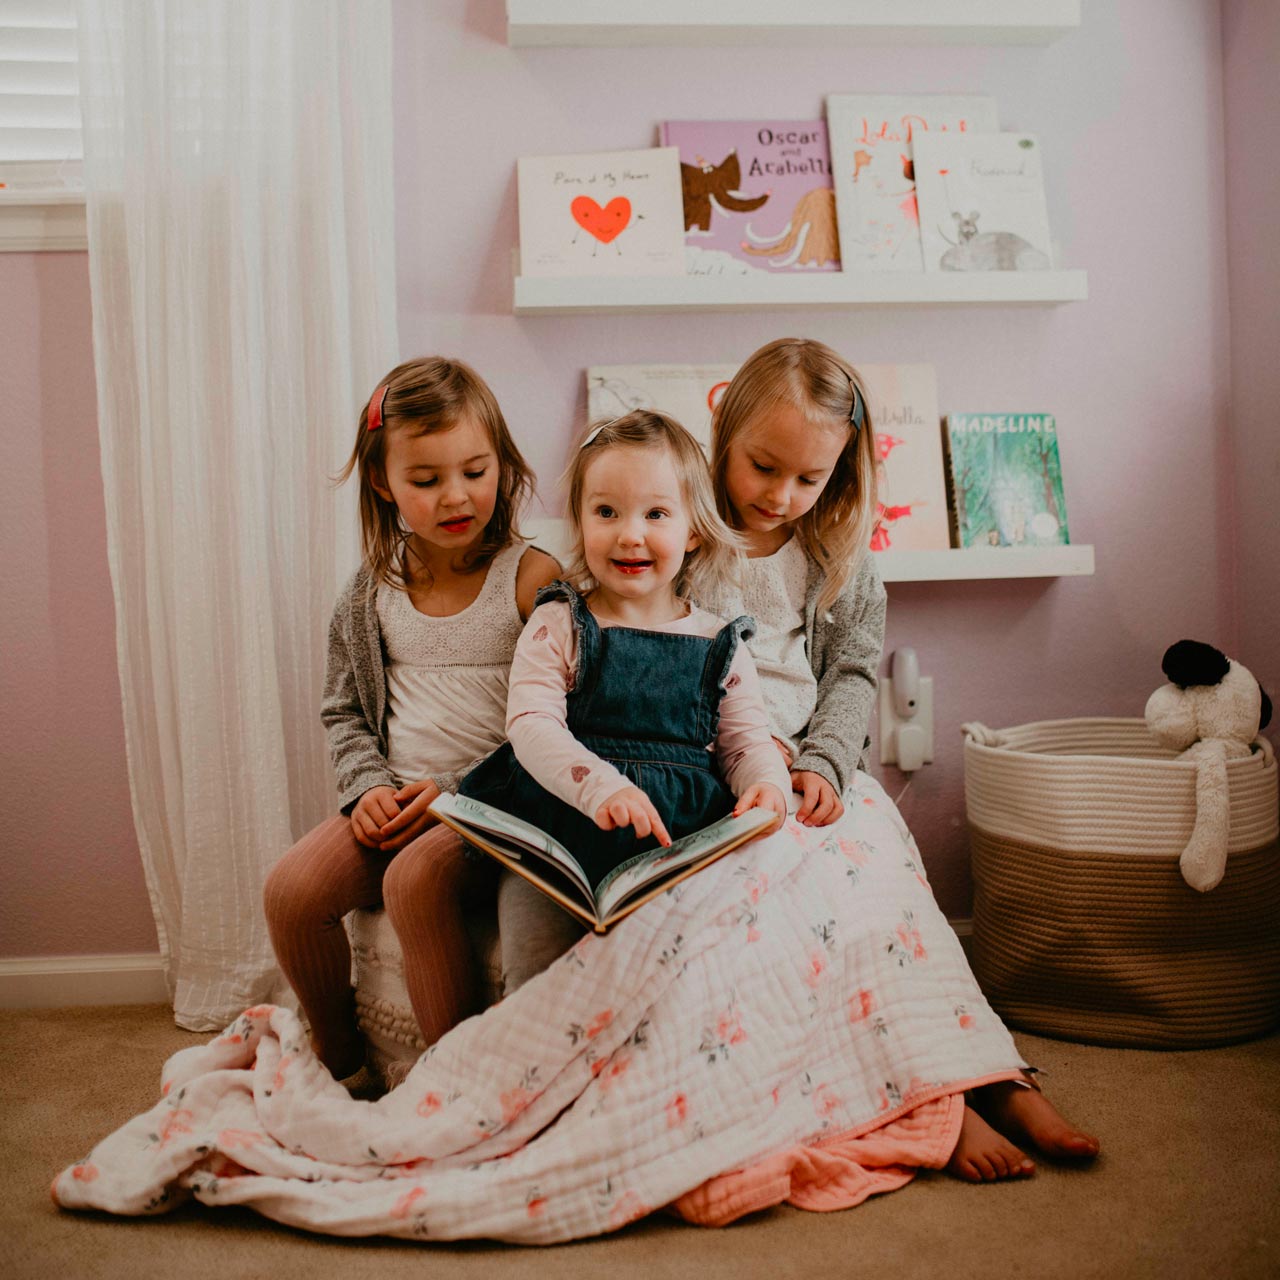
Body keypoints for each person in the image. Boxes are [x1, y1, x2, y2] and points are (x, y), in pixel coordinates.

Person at [706, 337, 1101, 1181]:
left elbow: (851, 671)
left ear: (842, 470)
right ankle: (936, 1105)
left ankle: (998, 1076)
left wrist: (823, 761)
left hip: (819, 770)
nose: (782, 495)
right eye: (762, 466)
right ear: (722, 436)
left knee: (887, 882)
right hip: (724, 771)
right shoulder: (684, 536)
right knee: (815, 899)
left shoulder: (838, 551)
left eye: (808, 478)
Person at [263, 356, 559, 1079]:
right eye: (426, 481)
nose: (456, 496)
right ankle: (340, 1055)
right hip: (397, 799)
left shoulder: (532, 579)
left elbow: (563, 719)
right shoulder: (371, 591)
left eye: (475, 471)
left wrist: (459, 791)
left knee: (413, 882)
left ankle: (455, 1078)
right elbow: (344, 711)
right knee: (292, 891)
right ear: (382, 482)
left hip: (494, 803)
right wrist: (366, 789)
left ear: (504, 464)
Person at [458, 410, 790, 994]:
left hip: (677, 843)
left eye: (656, 514)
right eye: (606, 512)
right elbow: (531, 725)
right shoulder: (559, 621)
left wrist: (768, 785)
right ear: (581, 523)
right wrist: (602, 787)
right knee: (535, 971)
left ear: (693, 531)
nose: (629, 534)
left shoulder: (719, 643)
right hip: (559, 829)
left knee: (696, 974)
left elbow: (744, 743)